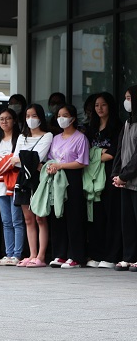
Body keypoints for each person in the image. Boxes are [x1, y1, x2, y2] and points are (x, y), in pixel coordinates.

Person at [46, 103, 89, 268]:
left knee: (74, 217)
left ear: (72, 118)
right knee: (58, 215)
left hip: (73, 178)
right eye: (58, 116)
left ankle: (75, 256)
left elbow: (82, 162)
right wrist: (51, 166)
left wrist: (61, 166)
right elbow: (51, 157)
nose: (61, 119)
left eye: (64, 115)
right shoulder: (56, 138)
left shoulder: (80, 138)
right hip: (57, 179)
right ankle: (60, 254)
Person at [12, 104, 53, 267]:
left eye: (34, 116)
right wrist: (29, 160)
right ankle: (32, 254)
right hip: (23, 179)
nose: (30, 119)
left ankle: (41, 256)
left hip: (38, 179)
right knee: (28, 219)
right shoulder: (22, 137)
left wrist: (26, 159)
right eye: (28, 116)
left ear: (41, 117)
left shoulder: (47, 135)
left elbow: (39, 157)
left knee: (40, 217)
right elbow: (14, 160)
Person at [86, 92, 121, 268]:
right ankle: (97, 254)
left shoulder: (118, 127)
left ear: (110, 106)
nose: (99, 108)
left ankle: (112, 255)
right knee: (96, 215)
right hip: (92, 176)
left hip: (109, 174)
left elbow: (112, 154)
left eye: (103, 105)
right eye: (97, 105)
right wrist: (98, 154)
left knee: (111, 214)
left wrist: (95, 155)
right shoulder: (91, 128)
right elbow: (87, 153)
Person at [0, 107, 24, 266]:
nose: (4, 121)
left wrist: (1, 163)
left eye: (8, 118)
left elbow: (16, 160)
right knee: (6, 221)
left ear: (14, 120)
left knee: (16, 220)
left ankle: (17, 254)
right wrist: (0, 163)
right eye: (1, 119)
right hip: (1, 184)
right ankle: (9, 253)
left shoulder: (19, 139)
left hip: (14, 183)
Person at [112, 86, 137, 271]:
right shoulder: (127, 123)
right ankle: (129, 257)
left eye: (129, 97)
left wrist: (124, 175)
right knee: (127, 221)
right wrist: (116, 175)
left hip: (133, 181)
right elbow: (120, 151)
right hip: (125, 183)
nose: (126, 101)